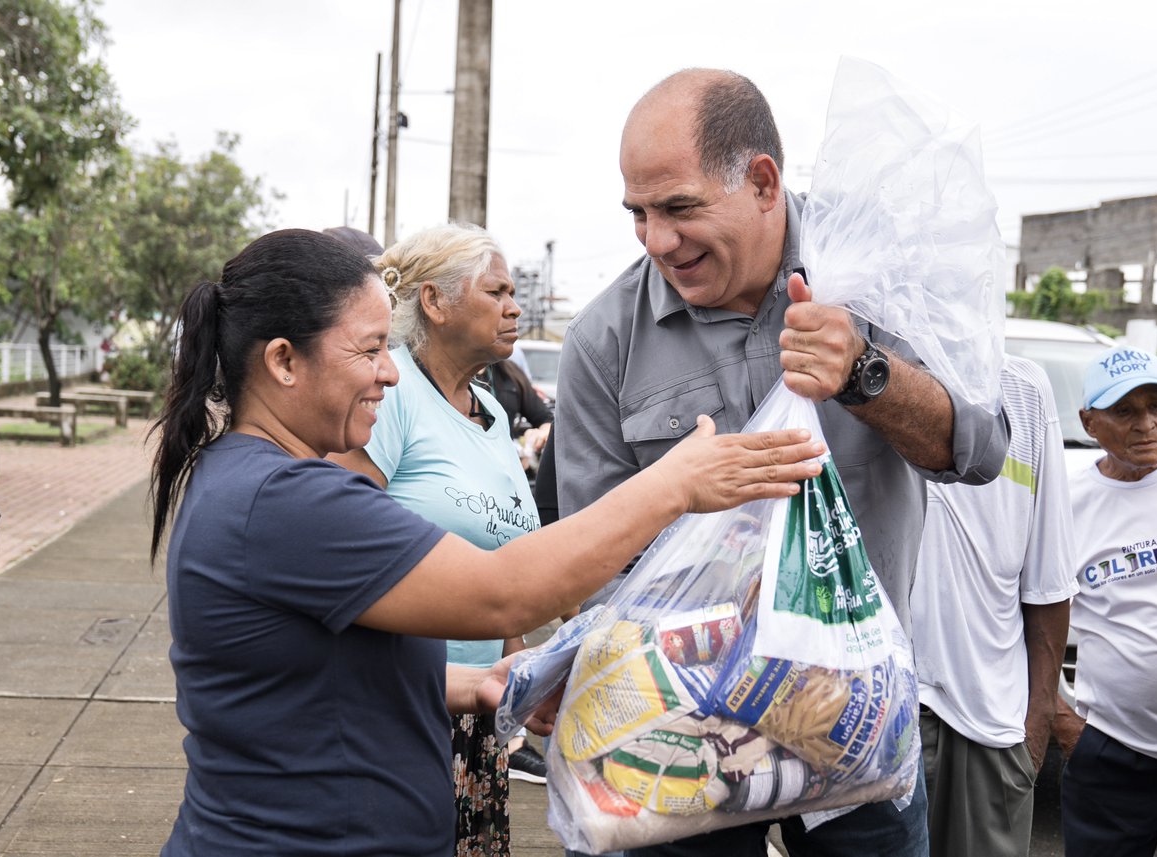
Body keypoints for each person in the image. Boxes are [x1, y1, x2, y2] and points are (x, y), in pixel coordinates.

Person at [149, 228, 825, 857]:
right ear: (282, 362)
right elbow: (502, 593)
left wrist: (479, 683)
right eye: (369, 348)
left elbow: (307, 670)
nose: (389, 372)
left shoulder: (251, 479)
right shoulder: (288, 499)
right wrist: (674, 485)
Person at [545, 69, 1009, 857]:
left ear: (763, 182)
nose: (658, 240)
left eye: (680, 208)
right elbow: (597, 561)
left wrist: (867, 373)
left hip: (856, 719)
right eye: (639, 213)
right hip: (683, 737)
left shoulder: (873, 272)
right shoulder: (605, 341)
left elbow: (979, 450)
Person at [329, 222, 544, 853]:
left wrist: (515, 680)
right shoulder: (391, 397)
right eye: (496, 291)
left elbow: (505, 546)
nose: (514, 306)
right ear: (434, 301)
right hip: (402, 700)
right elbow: (346, 538)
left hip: (479, 710)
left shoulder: (494, 411)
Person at [911, 354, 1077, 857]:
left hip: (993, 721)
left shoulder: (1023, 388)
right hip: (881, 711)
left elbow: (1047, 580)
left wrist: (1036, 726)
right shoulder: (854, 365)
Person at [1052, 345, 1157, 857]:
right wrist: (1063, 722)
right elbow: (1028, 618)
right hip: (1117, 752)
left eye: (1156, 407)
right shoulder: (1066, 503)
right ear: (1089, 422)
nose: (1146, 425)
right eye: (1124, 412)